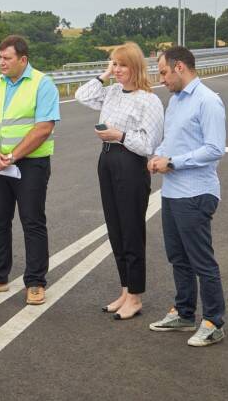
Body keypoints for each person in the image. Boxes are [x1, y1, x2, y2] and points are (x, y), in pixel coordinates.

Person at [74, 42, 164, 320]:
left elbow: (150, 142)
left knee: (131, 230)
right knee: (115, 229)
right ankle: (125, 289)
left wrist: (120, 135)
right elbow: (81, 95)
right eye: (114, 64)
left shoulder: (148, 100)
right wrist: (103, 75)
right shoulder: (112, 92)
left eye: (122, 65)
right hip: (108, 161)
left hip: (130, 163)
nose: (118, 70)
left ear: (135, 67)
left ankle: (135, 296)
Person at [0, 36, 60, 306]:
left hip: (30, 164)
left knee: (32, 221)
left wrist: (13, 156)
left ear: (23, 59)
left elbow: (44, 127)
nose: (1, 63)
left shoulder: (42, 84)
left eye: (7, 59)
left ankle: (35, 282)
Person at [147, 46, 227, 347]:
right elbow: (172, 142)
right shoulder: (176, 101)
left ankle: (214, 322)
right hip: (172, 192)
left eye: (164, 72)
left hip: (196, 193)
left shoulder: (208, 101)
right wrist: (157, 158)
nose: (161, 79)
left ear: (180, 67)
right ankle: (184, 313)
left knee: (201, 261)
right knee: (178, 257)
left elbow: (215, 148)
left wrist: (174, 162)